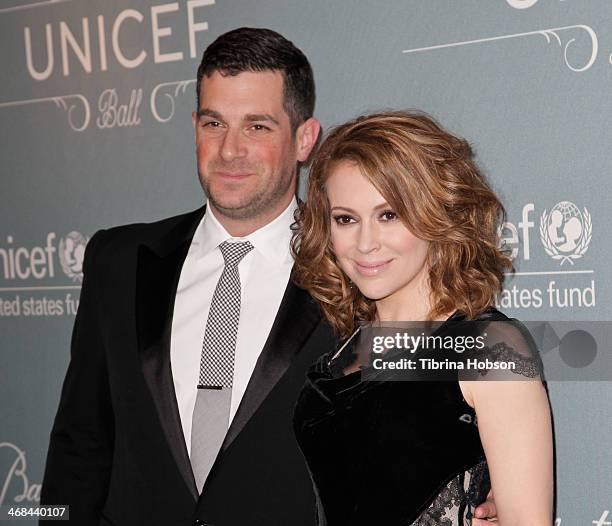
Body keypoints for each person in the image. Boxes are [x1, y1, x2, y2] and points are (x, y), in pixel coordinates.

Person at [40, 29, 500, 526]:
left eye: (257, 127)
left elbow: (431, 416)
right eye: (214, 123)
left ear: (304, 139)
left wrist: (488, 493)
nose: (230, 149)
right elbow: (79, 446)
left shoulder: (362, 271)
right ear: (194, 126)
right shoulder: (119, 259)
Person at [291, 110, 554, 525]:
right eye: (345, 219)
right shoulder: (345, 347)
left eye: (388, 215)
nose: (364, 243)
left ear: (436, 212)